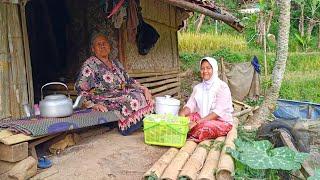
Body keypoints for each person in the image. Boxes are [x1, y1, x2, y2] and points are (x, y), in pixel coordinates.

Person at [75, 33, 154, 135]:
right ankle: (127, 127)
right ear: (93, 49)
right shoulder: (89, 65)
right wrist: (92, 105)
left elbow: (128, 81)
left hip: (120, 92)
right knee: (131, 98)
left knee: (144, 94)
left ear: (109, 46)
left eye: (104, 43)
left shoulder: (116, 63)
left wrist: (144, 88)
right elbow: (80, 89)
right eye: (98, 44)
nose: (102, 46)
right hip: (103, 96)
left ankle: (142, 122)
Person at [179, 57, 234, 142]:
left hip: (220, 122)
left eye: (208, 68)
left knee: (204, 127)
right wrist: (182, 114)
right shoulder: (198, 88)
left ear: (214, 69)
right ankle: (186, 131)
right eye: (202, 68)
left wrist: (197, 122)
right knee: (184, 119)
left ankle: (186, 133)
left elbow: (217, 112)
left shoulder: (222, 87)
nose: (205, 71)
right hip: (202, 118)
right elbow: (190, 105)